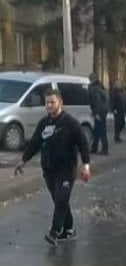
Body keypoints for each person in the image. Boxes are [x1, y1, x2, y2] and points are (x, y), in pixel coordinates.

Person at [13, 89, 90, 245]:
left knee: (61, 199)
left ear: (60, 103)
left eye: (52, 102)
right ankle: (69, 230)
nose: (48, 105)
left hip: (66, 169)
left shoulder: (70, 123)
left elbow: (83, 144)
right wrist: (23, 160)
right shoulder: (44, 123)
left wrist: (86, 165)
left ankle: (54, 232)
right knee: (59, 200)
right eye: (46, 102)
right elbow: (35, 143)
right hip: (49, 170)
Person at [88, 73, 109, 155]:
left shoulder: (94, 88)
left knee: (101, 130)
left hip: (99, 111)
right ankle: (94, 147)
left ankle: (105, 149)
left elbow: (96, 101)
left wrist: (96, 113)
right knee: (97, 130)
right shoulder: (101, 86)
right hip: (103, 110)